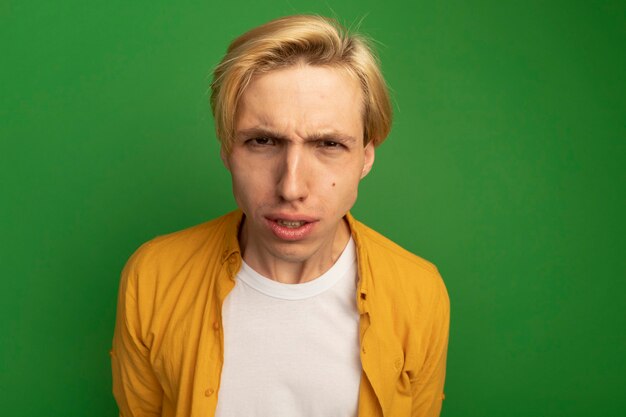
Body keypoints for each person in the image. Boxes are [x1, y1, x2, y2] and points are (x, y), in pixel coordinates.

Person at [111, 14, 449, 417]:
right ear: (227, 150)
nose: (291, 187)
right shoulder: (154, 278)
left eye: (328, 144)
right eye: (262, 141)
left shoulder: (419, 293)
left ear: (366, 157)